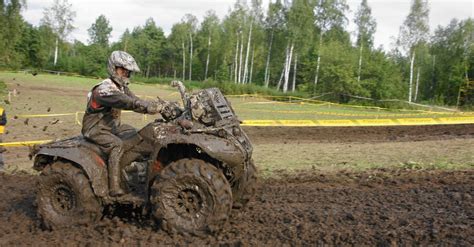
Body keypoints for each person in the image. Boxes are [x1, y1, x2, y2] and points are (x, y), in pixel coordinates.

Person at [82, 51, 177, 197]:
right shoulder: (104, 90)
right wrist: (150, 107)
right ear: (114, 68)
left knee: (136, 134)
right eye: (123, 70)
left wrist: (161, 106)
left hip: (111, 127)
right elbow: (128, 102)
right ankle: (114, 186)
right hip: (95, 129)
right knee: (117, 145)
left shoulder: (121, 87)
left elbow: (137, 101)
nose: (126, 74)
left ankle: (133, 170)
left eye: (128, 72)